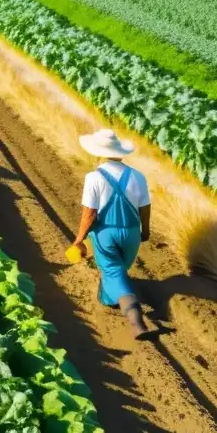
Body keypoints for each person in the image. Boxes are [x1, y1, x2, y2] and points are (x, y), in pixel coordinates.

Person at [72, 129, 154, 340]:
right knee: (118, 270)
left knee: (113, 270)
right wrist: (145, 230)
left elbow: (89, 214)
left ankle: (136, 319)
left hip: (105, 232)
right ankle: (108, 298)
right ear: (120, 152)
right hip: (131, 233)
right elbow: (145, 207)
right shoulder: (137, 176)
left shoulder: (94, 177)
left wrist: (79, 240)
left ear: (98, 153)